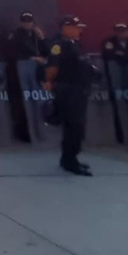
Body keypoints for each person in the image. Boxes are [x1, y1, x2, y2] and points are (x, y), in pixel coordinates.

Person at [44, 15, 94, 176]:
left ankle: (70, 158)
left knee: (77, 127)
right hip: (68, 91)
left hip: (79, 91)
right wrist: (50, 82)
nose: (79, 30)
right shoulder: (59, 46)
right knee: (73, 126)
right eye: (76, 27)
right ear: (66, 28)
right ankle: (70, 161)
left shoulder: (75, 45)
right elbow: (52, 68)